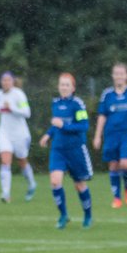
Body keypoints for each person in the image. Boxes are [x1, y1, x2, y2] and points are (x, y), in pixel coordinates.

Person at [38, 72, 93, 229]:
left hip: (75, 149)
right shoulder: (55, 103)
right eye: (62, 84)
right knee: (55, 182)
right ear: (58, 86)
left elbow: (84, 126)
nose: (64, 87)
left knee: (79, 185)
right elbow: (55, 125)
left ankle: (88, 216)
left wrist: (64, 126)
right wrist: (47, 135)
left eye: (67, 84)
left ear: (73, 87)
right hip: (58, 149)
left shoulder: (78, 104)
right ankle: (63, 215)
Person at [92, 62, 127, 208]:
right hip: (111, 135)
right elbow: (102, 116)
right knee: (114, 165)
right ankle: (116, 198)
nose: (119, 76)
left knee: (126, 163)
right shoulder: (107, 94)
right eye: (116, 73)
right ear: (113, 76)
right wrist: (97, 136)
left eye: (122, 73)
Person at [0, 70, 37, 202]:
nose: (5, 82)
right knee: (5, 160)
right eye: (3, 80)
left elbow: (27, 113)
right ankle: (6, 193)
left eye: (8, 80)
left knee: (22, 161)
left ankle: (32, 184)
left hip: (20, 134)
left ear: (13, 81)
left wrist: (12, 107)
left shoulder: (19, 95)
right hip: (4, 132)